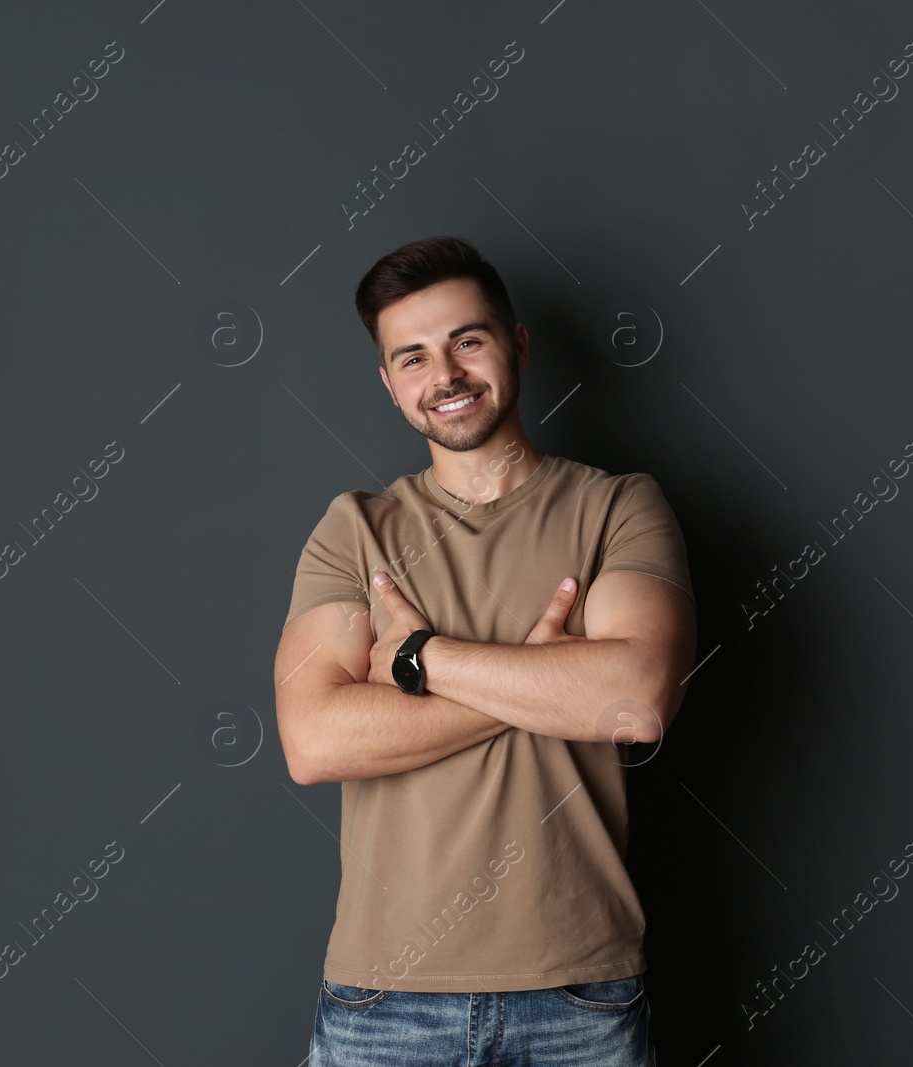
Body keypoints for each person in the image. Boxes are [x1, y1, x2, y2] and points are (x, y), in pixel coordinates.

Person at [274, 235, 698, 1065]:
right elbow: (315, 740)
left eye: (467, 340)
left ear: (517, 345)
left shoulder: (618, 508)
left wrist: (417, 658)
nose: (447, 375)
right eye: (414, 357)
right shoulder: (354, 530)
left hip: (581, 996)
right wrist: (543, 676)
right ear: (391, 385)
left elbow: (637, 699)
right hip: (382, 1002)